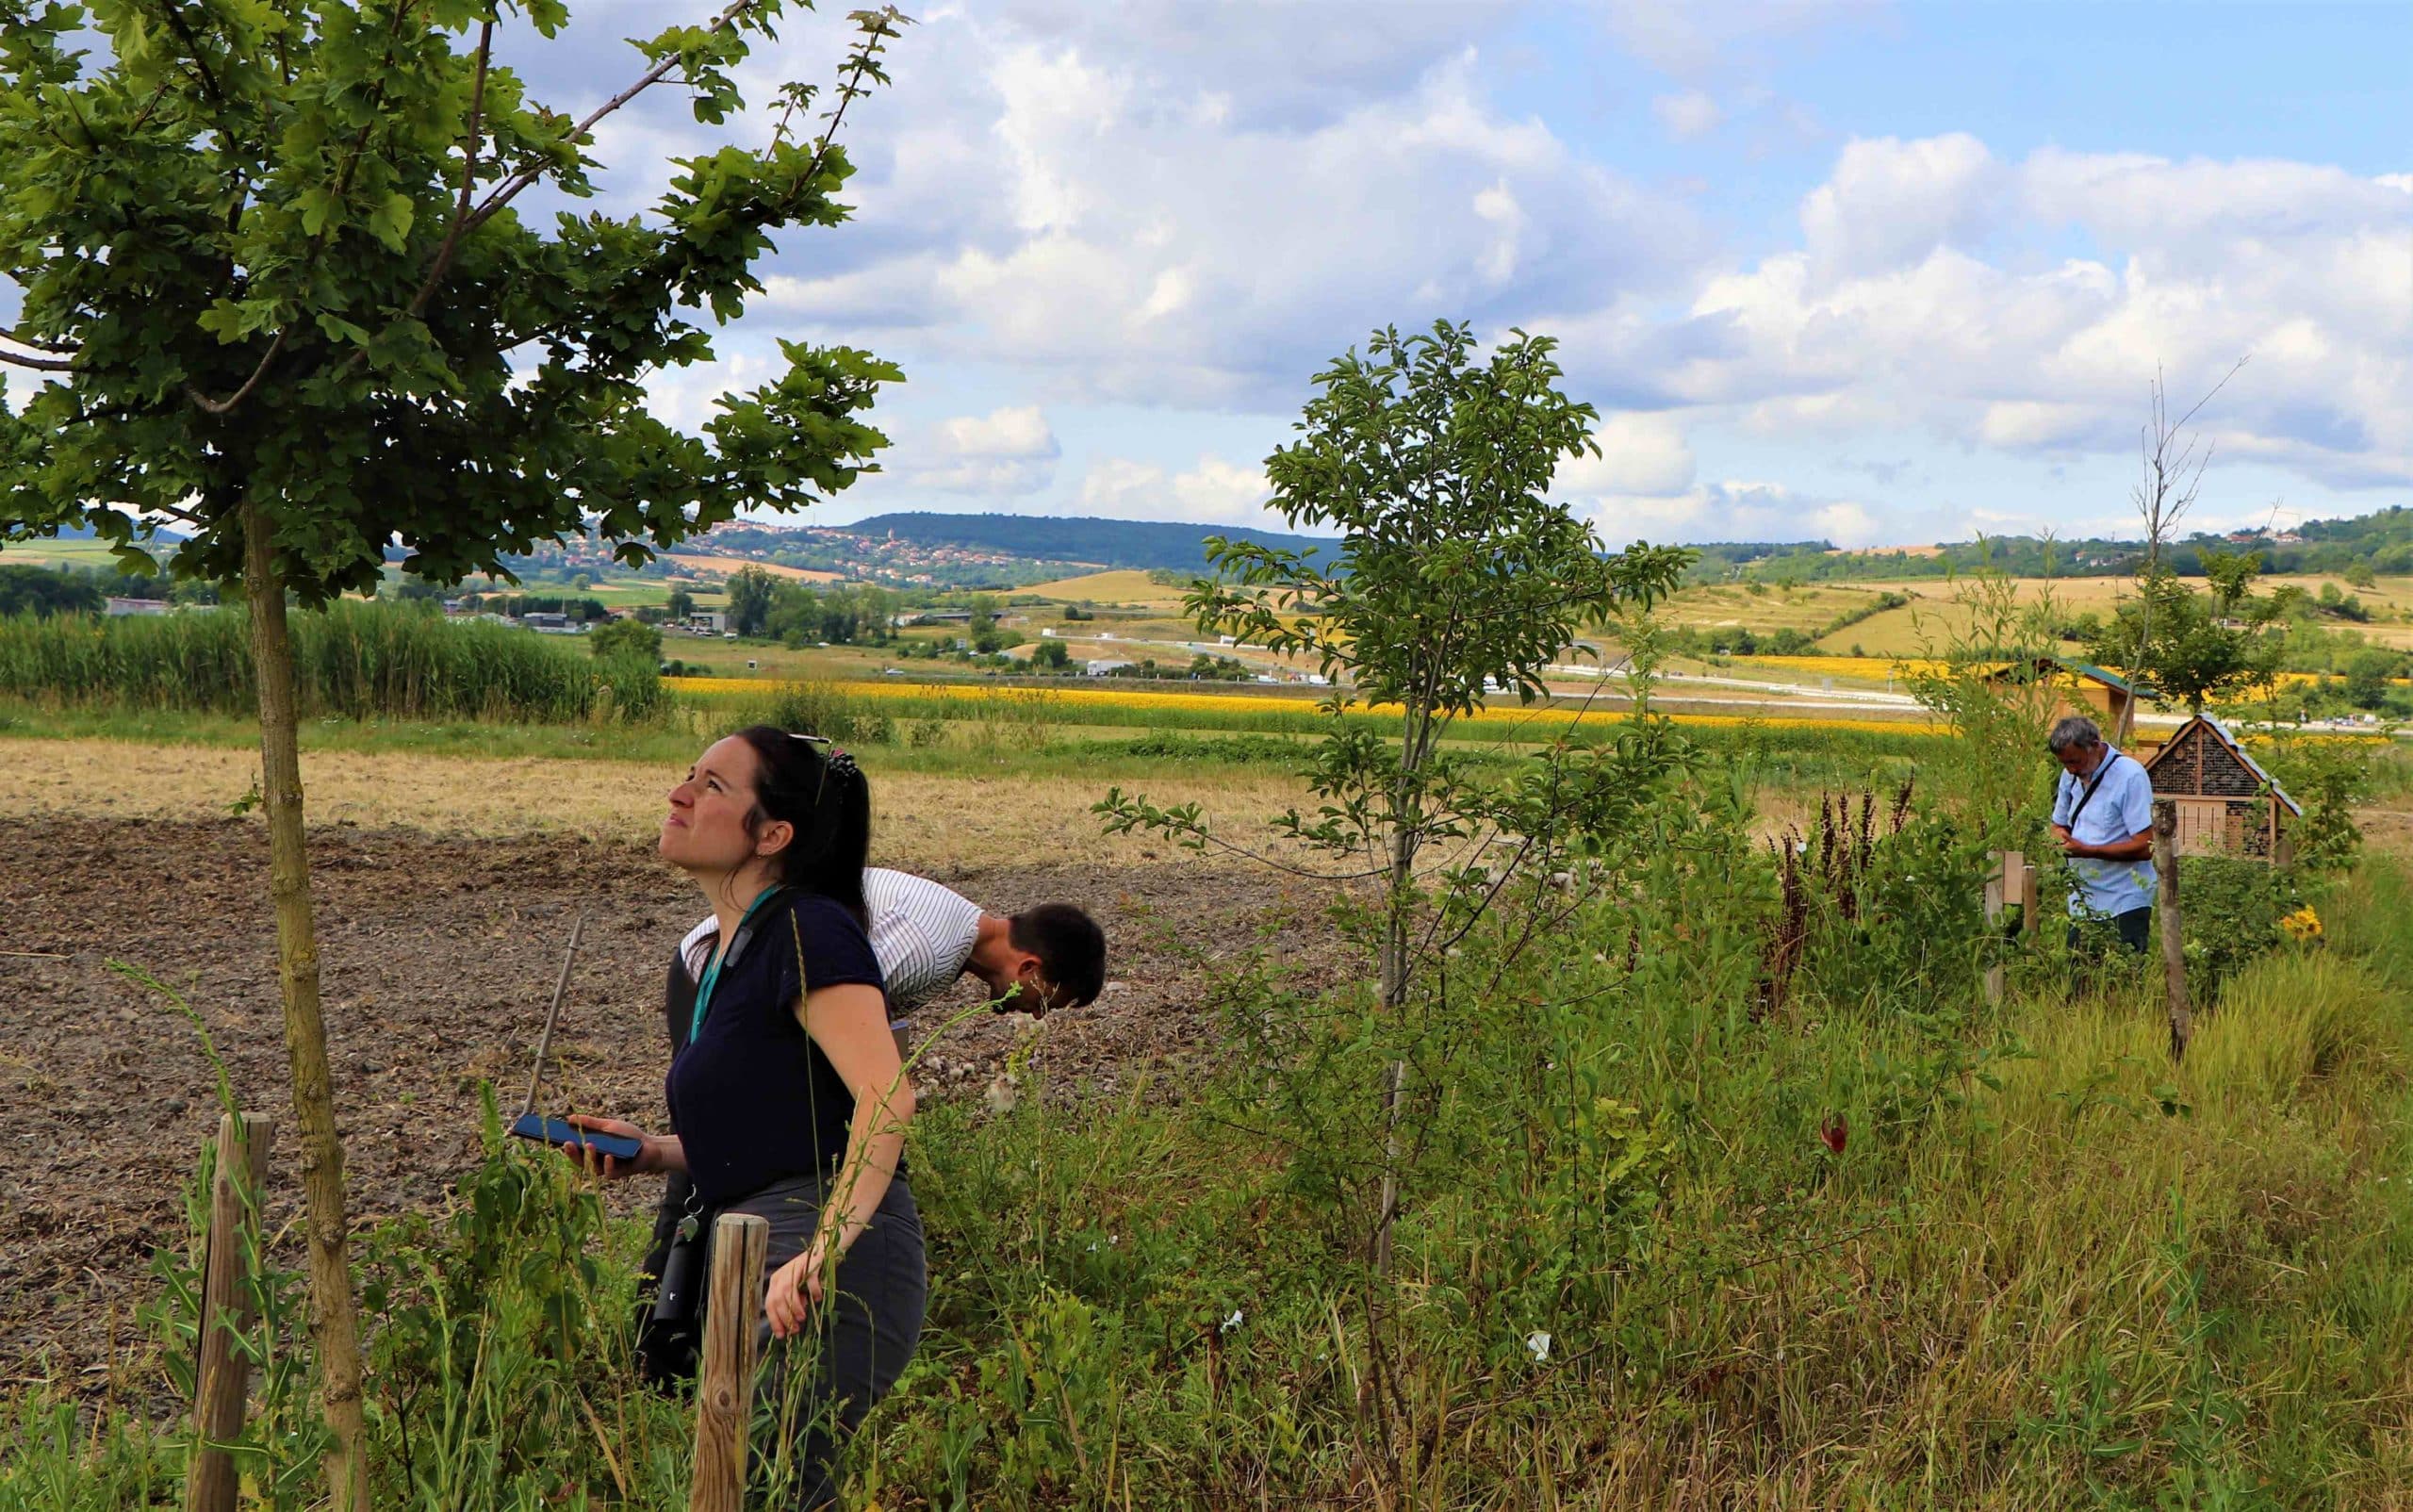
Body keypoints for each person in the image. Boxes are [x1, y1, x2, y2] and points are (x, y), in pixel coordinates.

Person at [566, 727, 922, 1509]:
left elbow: (887, 1096)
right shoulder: (734, 953)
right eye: (688, 774)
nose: (680, 793)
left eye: (714, 785)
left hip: (817, 1254)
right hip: (758, 1244)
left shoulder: (807, 928)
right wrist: (657, 1153)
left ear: (773, 833)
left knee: (772, 1486)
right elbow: (784, 1118)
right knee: (737, 1486)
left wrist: (823, 1252)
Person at [678, 871, 1107, 1052]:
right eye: (1045, 1001)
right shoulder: (930, 946)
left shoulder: (957, 934)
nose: (1035, 1014)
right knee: (707, 1155)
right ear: (1028, 967)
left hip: (737, 979)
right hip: (715, 978)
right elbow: (827, 1010)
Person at [2047, 714, 2158, 954]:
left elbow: (2145, 846)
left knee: (2121, 979)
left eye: (2075, 761)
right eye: (2065, 764)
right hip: (2081, 900)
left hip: (2124, 900)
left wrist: (2088, 851)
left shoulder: (2130, 776)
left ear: (2095, 746)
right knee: (2079, 981)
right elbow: (2057, 825)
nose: (2072, 769)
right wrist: (2060, 838)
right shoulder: (2070, 775)